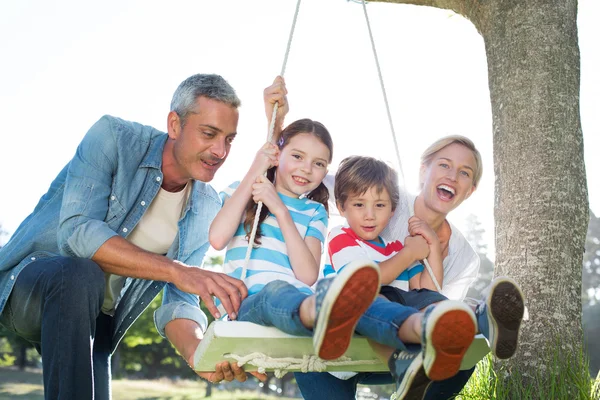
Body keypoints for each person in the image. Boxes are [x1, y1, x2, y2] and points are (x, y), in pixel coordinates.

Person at [0, 73, 281, 400]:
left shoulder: (206, 206)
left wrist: (198, 354)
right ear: (175, 125)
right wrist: (177, 270)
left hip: (95, 324)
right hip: (31, 288)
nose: (220, 150)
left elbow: (181, 300)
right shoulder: (113, 139)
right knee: (80, 273)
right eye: (209, 134)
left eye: (229, 139)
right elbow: (77, 233)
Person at [295, 137, 525, 400]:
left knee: (442, 319)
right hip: (341, 339)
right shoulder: (380, 190)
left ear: (470, 189)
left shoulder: (408, 246)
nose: (370, 213)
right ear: (423, 170)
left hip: (406, 343)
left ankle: (482, 318)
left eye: (464, 172)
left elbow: (428, 292)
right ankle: (408, 358)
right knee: (369, 299)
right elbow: (311, 173)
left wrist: (432, 249)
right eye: (444, 165)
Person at [208, 117, 385, 360]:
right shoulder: (244, 190)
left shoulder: (315, 212)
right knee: (275, 292)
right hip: (248, 305)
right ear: (277, 155)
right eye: (298, 156)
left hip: (299, 303)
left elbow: (307, 275)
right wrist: (255, 171)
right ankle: (325, 318)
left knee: (324, 290)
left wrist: (280, 210)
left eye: (319, 163)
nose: (306, 169)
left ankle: (343, 320)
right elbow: (217, 238)